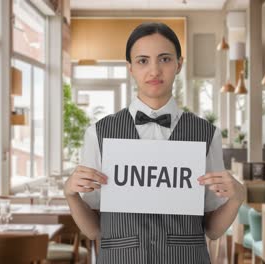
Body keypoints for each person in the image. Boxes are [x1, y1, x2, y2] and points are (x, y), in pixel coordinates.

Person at [64, 22, 244, 264]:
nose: (154, 70)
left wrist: (237, 197)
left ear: (179, 64)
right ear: (130, 68)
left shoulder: (206, 133)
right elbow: (94, 230)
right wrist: (71, 195)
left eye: (165, 59)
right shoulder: (98, 133)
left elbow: (212, 229)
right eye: (142, 61)